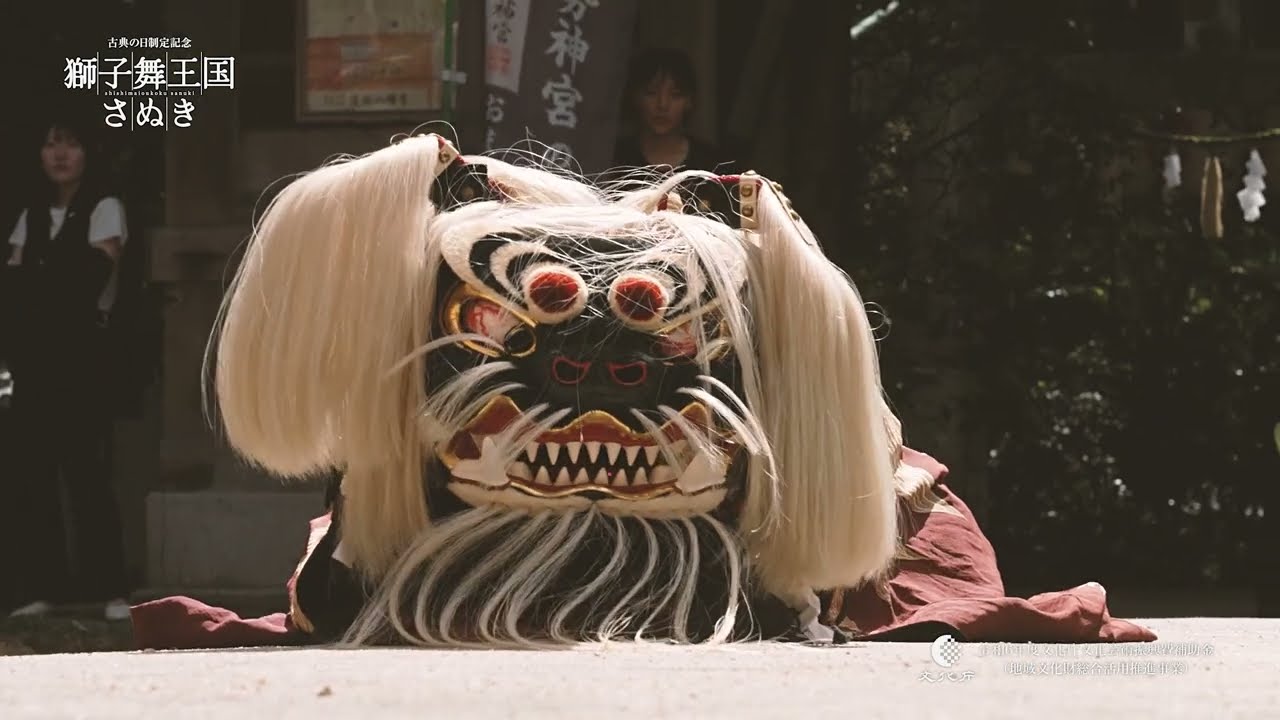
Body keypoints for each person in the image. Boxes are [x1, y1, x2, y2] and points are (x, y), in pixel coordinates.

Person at [129, 134, 1153, 649]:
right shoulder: (390, 514)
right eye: (500, 333)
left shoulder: (863, 513)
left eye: (658, 351)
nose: (593, 386)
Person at [3, 115, 131, 621]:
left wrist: (39, 285)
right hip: (33, 359)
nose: (60, 154)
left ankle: (111, 589)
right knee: (33, 474)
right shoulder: (29, 216)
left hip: (83, 358)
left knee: (88, 474)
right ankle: (44, 587)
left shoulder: (104, 209)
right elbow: (12, 292)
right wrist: (42, 289)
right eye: (51, 144)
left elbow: (89, 280)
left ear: (88, 153)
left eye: (71, 144)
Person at [613, 48, 729, 173]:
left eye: (675, 95)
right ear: (635, 97)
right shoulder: (614, 159)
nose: (662, 105)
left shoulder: (711, 164)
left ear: (689, 101)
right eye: (651, 93)